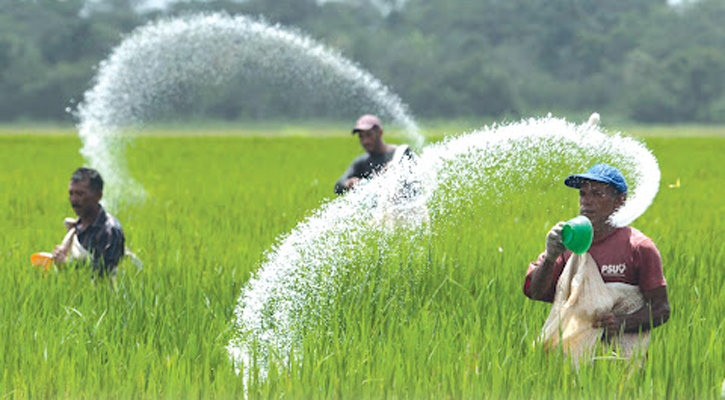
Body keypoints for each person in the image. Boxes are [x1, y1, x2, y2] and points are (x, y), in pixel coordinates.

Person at [524, 163, 670, 349]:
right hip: (572, 357)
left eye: (597, 194)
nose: (587, 201)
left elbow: (661, 309)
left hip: (622, 359)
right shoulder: (568, 243)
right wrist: (550, 257)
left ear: (619, 201)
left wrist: (622, 322)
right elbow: (536, 292)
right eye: (583, 194)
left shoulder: (639, 247)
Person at [52, 167, 125, 277]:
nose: (74, 199)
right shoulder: (76, 226)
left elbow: (104, 274)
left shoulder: (109, 230)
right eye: (71, 193)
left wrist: (68, 264)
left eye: (80, 194)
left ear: (98, 196)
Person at [334, 114, 414, 195]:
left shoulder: (400, 153)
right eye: (361, 136)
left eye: (369, 135)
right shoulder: (362, 162)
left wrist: (392, 169)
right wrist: (348, 183)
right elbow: (338, 186)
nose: (365, 141)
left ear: (380, 133)